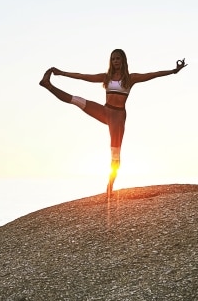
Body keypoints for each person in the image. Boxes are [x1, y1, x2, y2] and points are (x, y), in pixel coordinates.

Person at [40, 49, 186, 193]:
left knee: (115, 153)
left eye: (118, 59)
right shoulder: (106, 77)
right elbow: (83, 76)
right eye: (113, 59)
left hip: (118, 117)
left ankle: (110, 185)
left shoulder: (131, 78)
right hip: (105, 111)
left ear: (123, 60)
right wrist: (62, 73)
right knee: (77, 100)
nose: (116, 61)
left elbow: (152, 75)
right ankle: (48, 85)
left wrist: (173, 70)